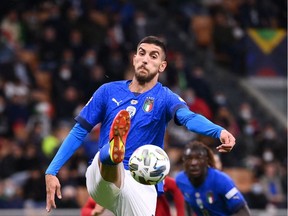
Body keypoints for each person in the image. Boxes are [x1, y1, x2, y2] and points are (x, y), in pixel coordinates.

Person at [45, 36, 236, 216]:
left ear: (162, 66)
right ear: (134, 58)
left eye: (153, 56)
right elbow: (79, 131)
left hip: (141, 182)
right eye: (142, 53)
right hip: (102, 177)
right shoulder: (107, 91)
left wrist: (218, 131)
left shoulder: (165, 97)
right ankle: (112, 153)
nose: (145, 59)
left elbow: (189, 118)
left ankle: (113, 153)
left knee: (123, 182)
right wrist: (51, 171)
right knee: (108, 158)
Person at [175, 141, 251, 216]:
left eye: (199, 158)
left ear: (206, 161)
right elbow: (187, 203)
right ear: (183, 161)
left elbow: (244, 212)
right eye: (189, 159)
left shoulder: (221, 180)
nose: (193, 163)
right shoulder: (180, 180)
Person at [81, 175, 185, 216]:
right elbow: (85, 211)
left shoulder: (148, 175)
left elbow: (176, 188)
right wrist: (94, 212)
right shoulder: (115, 184)